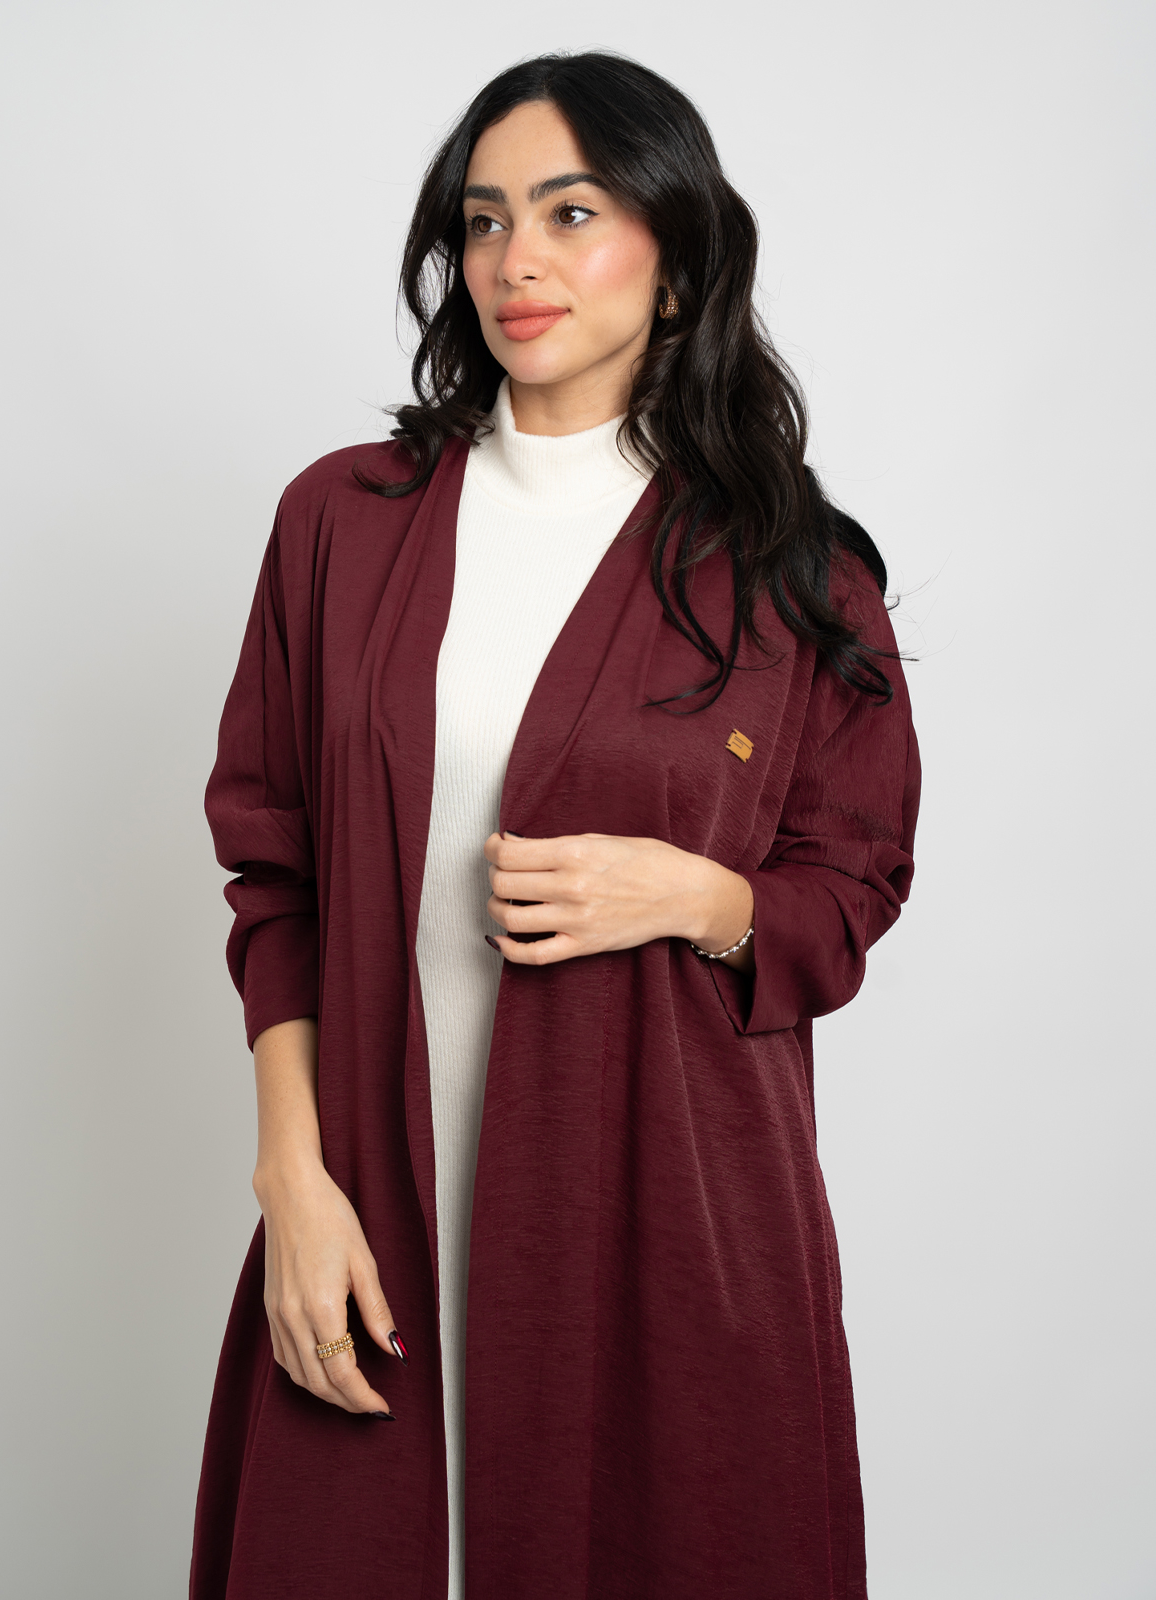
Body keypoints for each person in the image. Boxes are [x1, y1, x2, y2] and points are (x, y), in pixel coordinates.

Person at [189, 51, 920, 1600]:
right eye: (486, 219)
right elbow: (277, 880)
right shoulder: (344, 522)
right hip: (371, 1198)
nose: (517, 259)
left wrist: (697, 895)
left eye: (572, 213)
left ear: (679, 260)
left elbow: (849, 888)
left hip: (669, 1214)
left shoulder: (792, 566)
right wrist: (292, 1184)